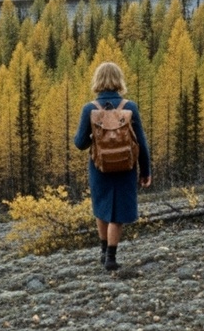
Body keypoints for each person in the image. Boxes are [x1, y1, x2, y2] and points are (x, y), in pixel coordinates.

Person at [74, 61, 151, 271]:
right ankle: (111, 257)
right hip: (126, 168)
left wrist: (94, 136)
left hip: (100, 168)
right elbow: (141, 142)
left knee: (102, 208)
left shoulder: (89, 109)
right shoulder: (130, 107)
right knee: (118, 213)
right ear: (119, 81)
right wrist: (146, 171)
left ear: (97, 80)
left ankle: (102, 251)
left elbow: (80, 143)